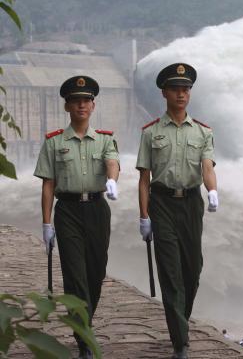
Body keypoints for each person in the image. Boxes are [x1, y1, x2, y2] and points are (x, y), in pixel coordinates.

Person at [34, 75, 120, 359]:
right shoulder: (54, 142)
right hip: (67, 211)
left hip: (97, 210)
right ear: (67, 106)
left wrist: (112, 181)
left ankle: (85, 324)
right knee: (75, 276)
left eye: (86, 100)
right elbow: (48, 185)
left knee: (96, 274)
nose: (81, 105)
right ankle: (84, 340)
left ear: (93, 105)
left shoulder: (105, 139)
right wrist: (46, 223)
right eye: (75, 100)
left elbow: (112, 162)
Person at [136, 63, 218, 359]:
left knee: (192, 270)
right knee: (170, 273)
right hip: (162, 203)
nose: (181, 94)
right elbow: (144, 179)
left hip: (192, 203)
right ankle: (180, 342)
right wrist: (144, 216)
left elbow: (207, 166)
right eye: (175, 89)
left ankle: (180, 322)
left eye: (185, 89)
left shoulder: (203, 131)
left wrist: (212, 191)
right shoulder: (151, 132)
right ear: (164, 93)